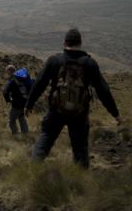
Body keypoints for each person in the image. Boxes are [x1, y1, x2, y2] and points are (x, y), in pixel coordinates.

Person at [25, 28, 123, 168]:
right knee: (80, 150)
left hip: (55, 111)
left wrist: (29, 104)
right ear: (80, 43)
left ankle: (32, 171)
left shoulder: (55, 60)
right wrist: (116, 115)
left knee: (45, 140)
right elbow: (103, 90)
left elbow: (39, 84)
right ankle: (80, 181)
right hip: (79, 114)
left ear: (65, 42)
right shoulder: (89, 63)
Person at [3, 65, 33, 134]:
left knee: (11, 121)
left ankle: (15, 135)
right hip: (25, 101)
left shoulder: (13, 80)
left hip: (16, 103)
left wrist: (8, 100)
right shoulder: (22, 78)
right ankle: (25, 134)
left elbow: (5, 92)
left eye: (7, 72)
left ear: (10, 71)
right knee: (21, 117)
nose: (7, 74)